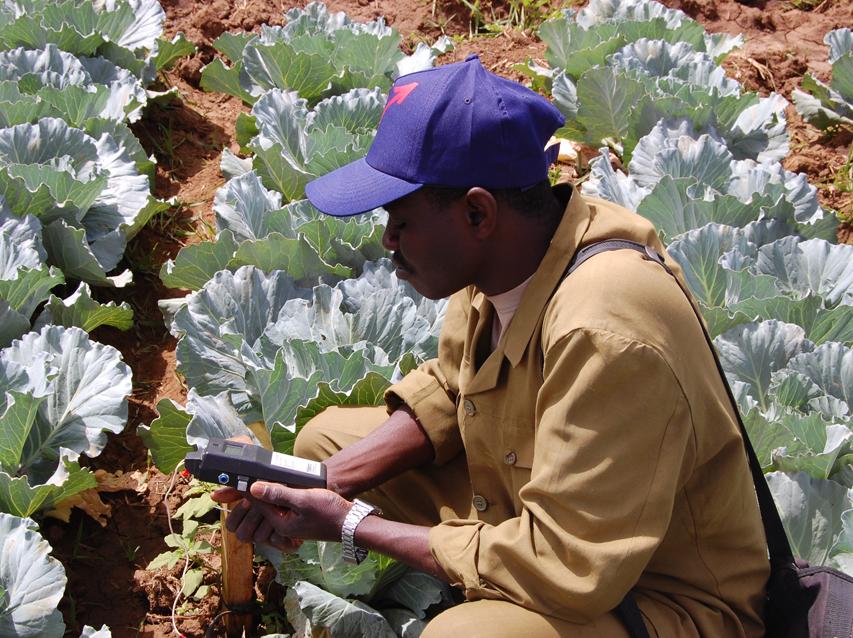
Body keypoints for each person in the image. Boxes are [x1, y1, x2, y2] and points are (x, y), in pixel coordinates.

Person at [212, 54, 770, 637]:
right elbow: (455, 390)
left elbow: (566, 566)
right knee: (323, 442)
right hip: (534, 504)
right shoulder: (507, 258)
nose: (387, 242)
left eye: (401, 222)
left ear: (478, 211)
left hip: (656, 594)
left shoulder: (606, 330)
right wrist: (328, 481)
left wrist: (350, 524)